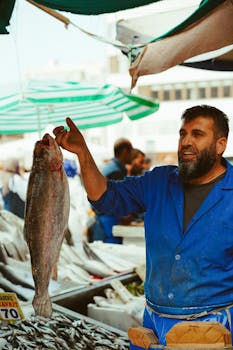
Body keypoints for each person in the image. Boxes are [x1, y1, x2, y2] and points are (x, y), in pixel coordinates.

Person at [53, 104, 233, 347]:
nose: (186, 142)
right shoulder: (159, 181)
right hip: (154, 322)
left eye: (197, 134)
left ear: (220, 145)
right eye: (183, 134)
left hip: (214, 324)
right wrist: (82, 152)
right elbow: (106, 198)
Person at [94, 138, 133, 243]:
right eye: (131, 151)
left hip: (102, 218)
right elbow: (118, 199)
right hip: (109, 219)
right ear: (125, 151)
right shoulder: (116, 171)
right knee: (112, 252)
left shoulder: (109, 166)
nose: (132, 155)